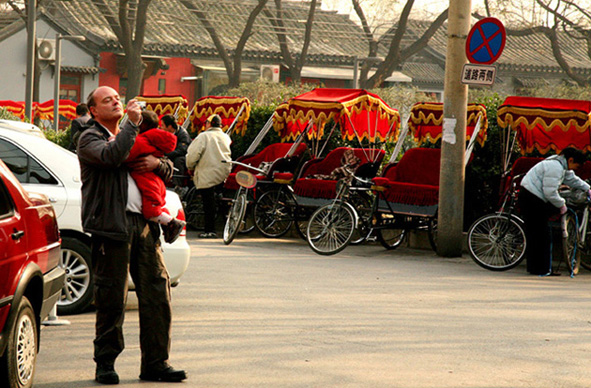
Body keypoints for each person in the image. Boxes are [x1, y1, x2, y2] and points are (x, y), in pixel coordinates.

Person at [77, 86, 187, 384]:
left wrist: (158, 164)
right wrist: (132, 125)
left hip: (145, 226)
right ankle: (105, 363)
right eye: (106, 100)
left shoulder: (134, 134)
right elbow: (113, 157)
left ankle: (156, 363)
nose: (115, 101)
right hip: (111, 226)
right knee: (111, 297)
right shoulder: (90, 138)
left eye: (116, 98)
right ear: (94, 111)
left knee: (157, 293)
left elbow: (166, 166)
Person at [518, 147, 591, 276]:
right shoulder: (555, 167)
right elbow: (550, 192)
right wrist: (562, 205)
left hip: (534, 197)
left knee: (539, 234)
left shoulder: (561, 165)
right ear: (570, 159)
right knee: (540, 234)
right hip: (531, 198)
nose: (574, 169)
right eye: (575, 165)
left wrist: (587, 188)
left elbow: (572, 180)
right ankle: (541, 269)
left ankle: (538, 268)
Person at [126, 110, 186, 244]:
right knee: (156, 206)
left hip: (148, 182)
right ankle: (168, 224)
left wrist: (158, 164)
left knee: (151, 209)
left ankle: (171, 223)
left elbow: (123, 154)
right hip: (154, 183)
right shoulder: (153, 140)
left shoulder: (141, 140)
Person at [186, 114, 231, 238]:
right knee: (220, 201)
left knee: (208, 203)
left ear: (208, 124)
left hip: (208, 173)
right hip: (224, 171)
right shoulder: (225, 137)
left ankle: (209, 230)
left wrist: (190, 167)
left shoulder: (204, 136)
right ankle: (226, 227)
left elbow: (193, 155)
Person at [161, 114, 192, 187]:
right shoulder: (166, 133)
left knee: (179, 160)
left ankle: (177, 185)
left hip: (183, 156)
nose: (161, 128)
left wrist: (166, 154)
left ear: (169, 126)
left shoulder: (183, 134)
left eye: (162, 126)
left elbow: (182, 151)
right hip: (171, 154)